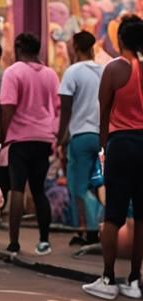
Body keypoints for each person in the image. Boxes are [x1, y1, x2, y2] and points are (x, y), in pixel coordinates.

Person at [83, 15, 143, 299]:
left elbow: (104, 112)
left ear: (120, 40)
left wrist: (103, 148)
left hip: (121, 144)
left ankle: (108, 278)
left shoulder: (114, 69)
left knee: (113, 216)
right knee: (141, 217)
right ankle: (134, 279)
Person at [0, 32, 59, 257]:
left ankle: (14, 242)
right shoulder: (51, 74)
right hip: (43, 138)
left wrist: (4, 137)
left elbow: (7, 107)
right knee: (39, 189)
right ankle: (44, 240)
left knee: (17, 189)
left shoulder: (13, 72)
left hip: (20, 138)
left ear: (18, 48)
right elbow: (57, 106)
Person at [57, 31, 103, 251]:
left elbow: (65, 108)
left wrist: (60, 137)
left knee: (78, 187)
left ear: (75, 47)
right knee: (96, 185)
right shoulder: (103, 71)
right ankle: (91, 229)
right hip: (101, 136)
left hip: (80, 137)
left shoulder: (72, 72)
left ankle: (91, 230)